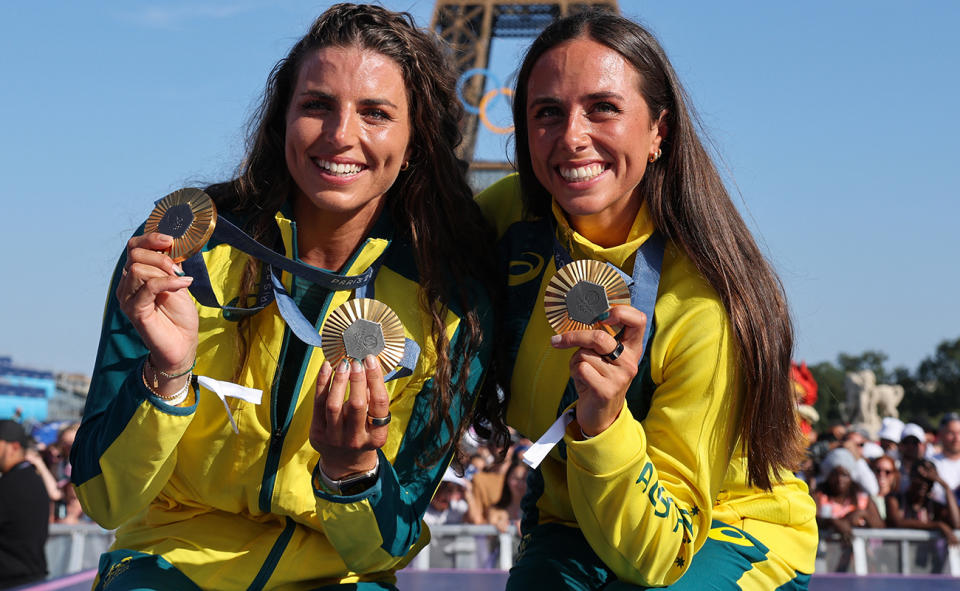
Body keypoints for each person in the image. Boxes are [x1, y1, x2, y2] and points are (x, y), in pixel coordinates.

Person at [71, 4, 506, 590]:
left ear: (416, 142)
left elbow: (385, 549)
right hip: (168, 569)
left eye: (375, 113)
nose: (341, 135)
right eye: (316, 105)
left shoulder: (450, 306)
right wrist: (167, 377)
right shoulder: (182, 253)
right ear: (283, 121)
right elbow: (103, 500)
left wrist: (351, 472)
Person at [476, 9, 816, 589]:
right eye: (547, 113)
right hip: (571, 517)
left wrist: (605, 424)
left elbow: (661, 557)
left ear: (659, 130)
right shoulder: (502, 219)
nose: (572, 136)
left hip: (724, 529)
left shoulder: (710, 299)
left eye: (603, 107)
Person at [0, 419, 50, 588]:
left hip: (12, 582)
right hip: (33, 579)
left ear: (13, 447)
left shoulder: (10, 485)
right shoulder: (32, 478)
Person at [931, 413, 960, 506]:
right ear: (941, 435)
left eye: (959, 433)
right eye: (951, 433)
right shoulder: (931, 463)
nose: (956, 438)